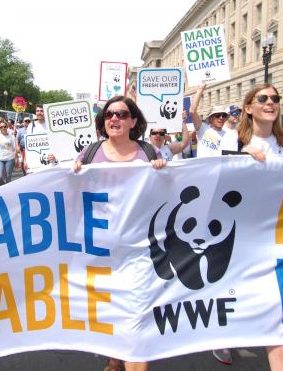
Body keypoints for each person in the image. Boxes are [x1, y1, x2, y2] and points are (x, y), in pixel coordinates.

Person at [72, 95, 165, 371]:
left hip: (139, 249)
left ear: (133, 121)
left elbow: (167, 197)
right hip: (100, 250)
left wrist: (163, 173)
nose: (115, 119)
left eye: (122, 114)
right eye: (110, 114)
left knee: (136, 315)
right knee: (111, 309)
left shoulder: (149, 153)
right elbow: (69, 197)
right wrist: (72, 174)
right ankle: (115, 358)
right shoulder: (89, 154)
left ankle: (130, 358)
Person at [220, 84, 283, 370]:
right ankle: (223, 334)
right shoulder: (232, 138)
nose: (270, 103)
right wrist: (241, 158)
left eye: (275, 98)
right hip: (238, 233)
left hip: (275, 232)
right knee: (233, 293)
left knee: (277, 307)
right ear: (248, 107)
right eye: (262, 98)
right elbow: (218, 183)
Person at [190, 81, 230, 157]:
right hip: (204, 167)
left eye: (224, 115)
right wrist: (200, 89)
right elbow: (192, 111)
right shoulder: (203, 128)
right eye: (217, 115)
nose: (221, 118)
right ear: (210, 118)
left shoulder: (228, 135)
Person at [0, 120, 18, 186]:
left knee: (8, 177)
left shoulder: (11, 136)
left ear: (7, 127)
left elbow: (15, 149)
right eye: (1, 127)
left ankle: (7, 191)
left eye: (4, 126)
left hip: (9, 159)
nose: (3, 128)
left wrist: (16, 159)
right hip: (0, 159)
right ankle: (1, 188)